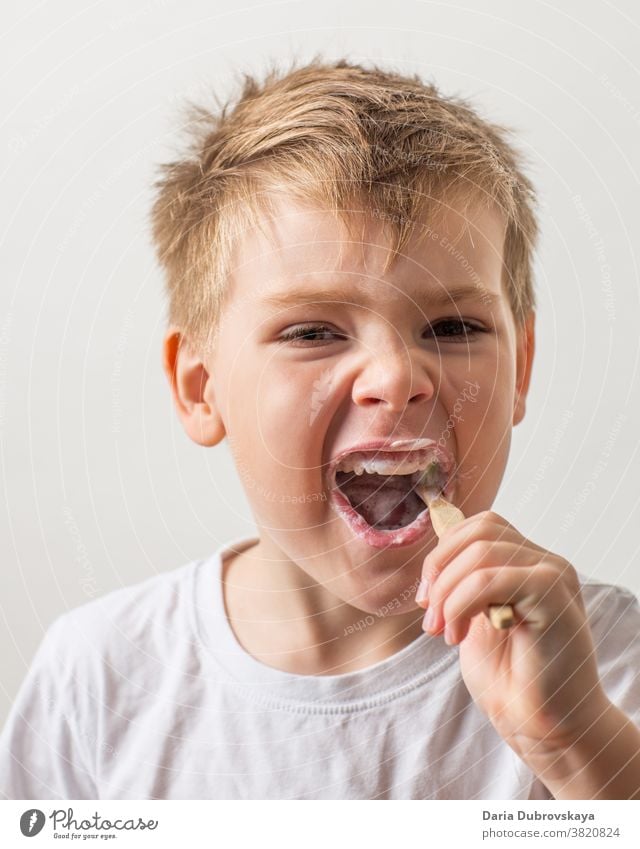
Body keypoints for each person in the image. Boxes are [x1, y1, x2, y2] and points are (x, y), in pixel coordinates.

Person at [2, 56, 639, 800]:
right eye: (312, 332)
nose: (397, 378)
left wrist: (577, 744)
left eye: (454, 325)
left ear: (520, 369)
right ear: (202, 387)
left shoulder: (603, 666)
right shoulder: (98, 676)